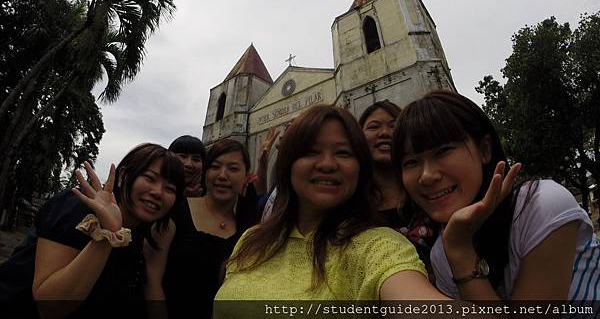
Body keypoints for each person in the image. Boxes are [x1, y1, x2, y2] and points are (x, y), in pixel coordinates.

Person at [213, 105, 448, 317]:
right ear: (288, 164)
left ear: (360, 169)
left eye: (343, 153)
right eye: (311, 151)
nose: (327, 164)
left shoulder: (379, 247)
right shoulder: (251, 240)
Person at [393, 90, 600, 303]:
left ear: (484, 150)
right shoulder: (442, 253)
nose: (427, 176)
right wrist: (458, 248)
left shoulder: (541, 204)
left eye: (443, 151)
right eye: (411, 162)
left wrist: (460, 251)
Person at [0, 143, 184, 319]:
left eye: (170, 188)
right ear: (122, 177)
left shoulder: (139, 237)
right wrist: (107, 233)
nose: (158, 192)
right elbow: (49, 308)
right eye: (150, 178)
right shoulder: (77, 207)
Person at [163, 139, 259, 319]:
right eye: (215, 167)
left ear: (247, 176)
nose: (222, 175)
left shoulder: (249, 231)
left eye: (233, 168)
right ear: (205, 173)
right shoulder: (176, 211)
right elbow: (152, 280)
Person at [359, 100, 437, 279]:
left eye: (394, 126)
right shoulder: (351, 204)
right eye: (374, 127)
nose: (384, 133)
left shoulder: (432, 190)